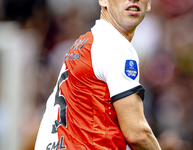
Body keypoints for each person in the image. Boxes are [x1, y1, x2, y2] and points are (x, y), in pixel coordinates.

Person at [34, 0, 161, 149]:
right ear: (103, 1)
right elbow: (137, 134)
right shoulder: (115, 46)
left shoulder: (84, 43)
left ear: (149, 4)